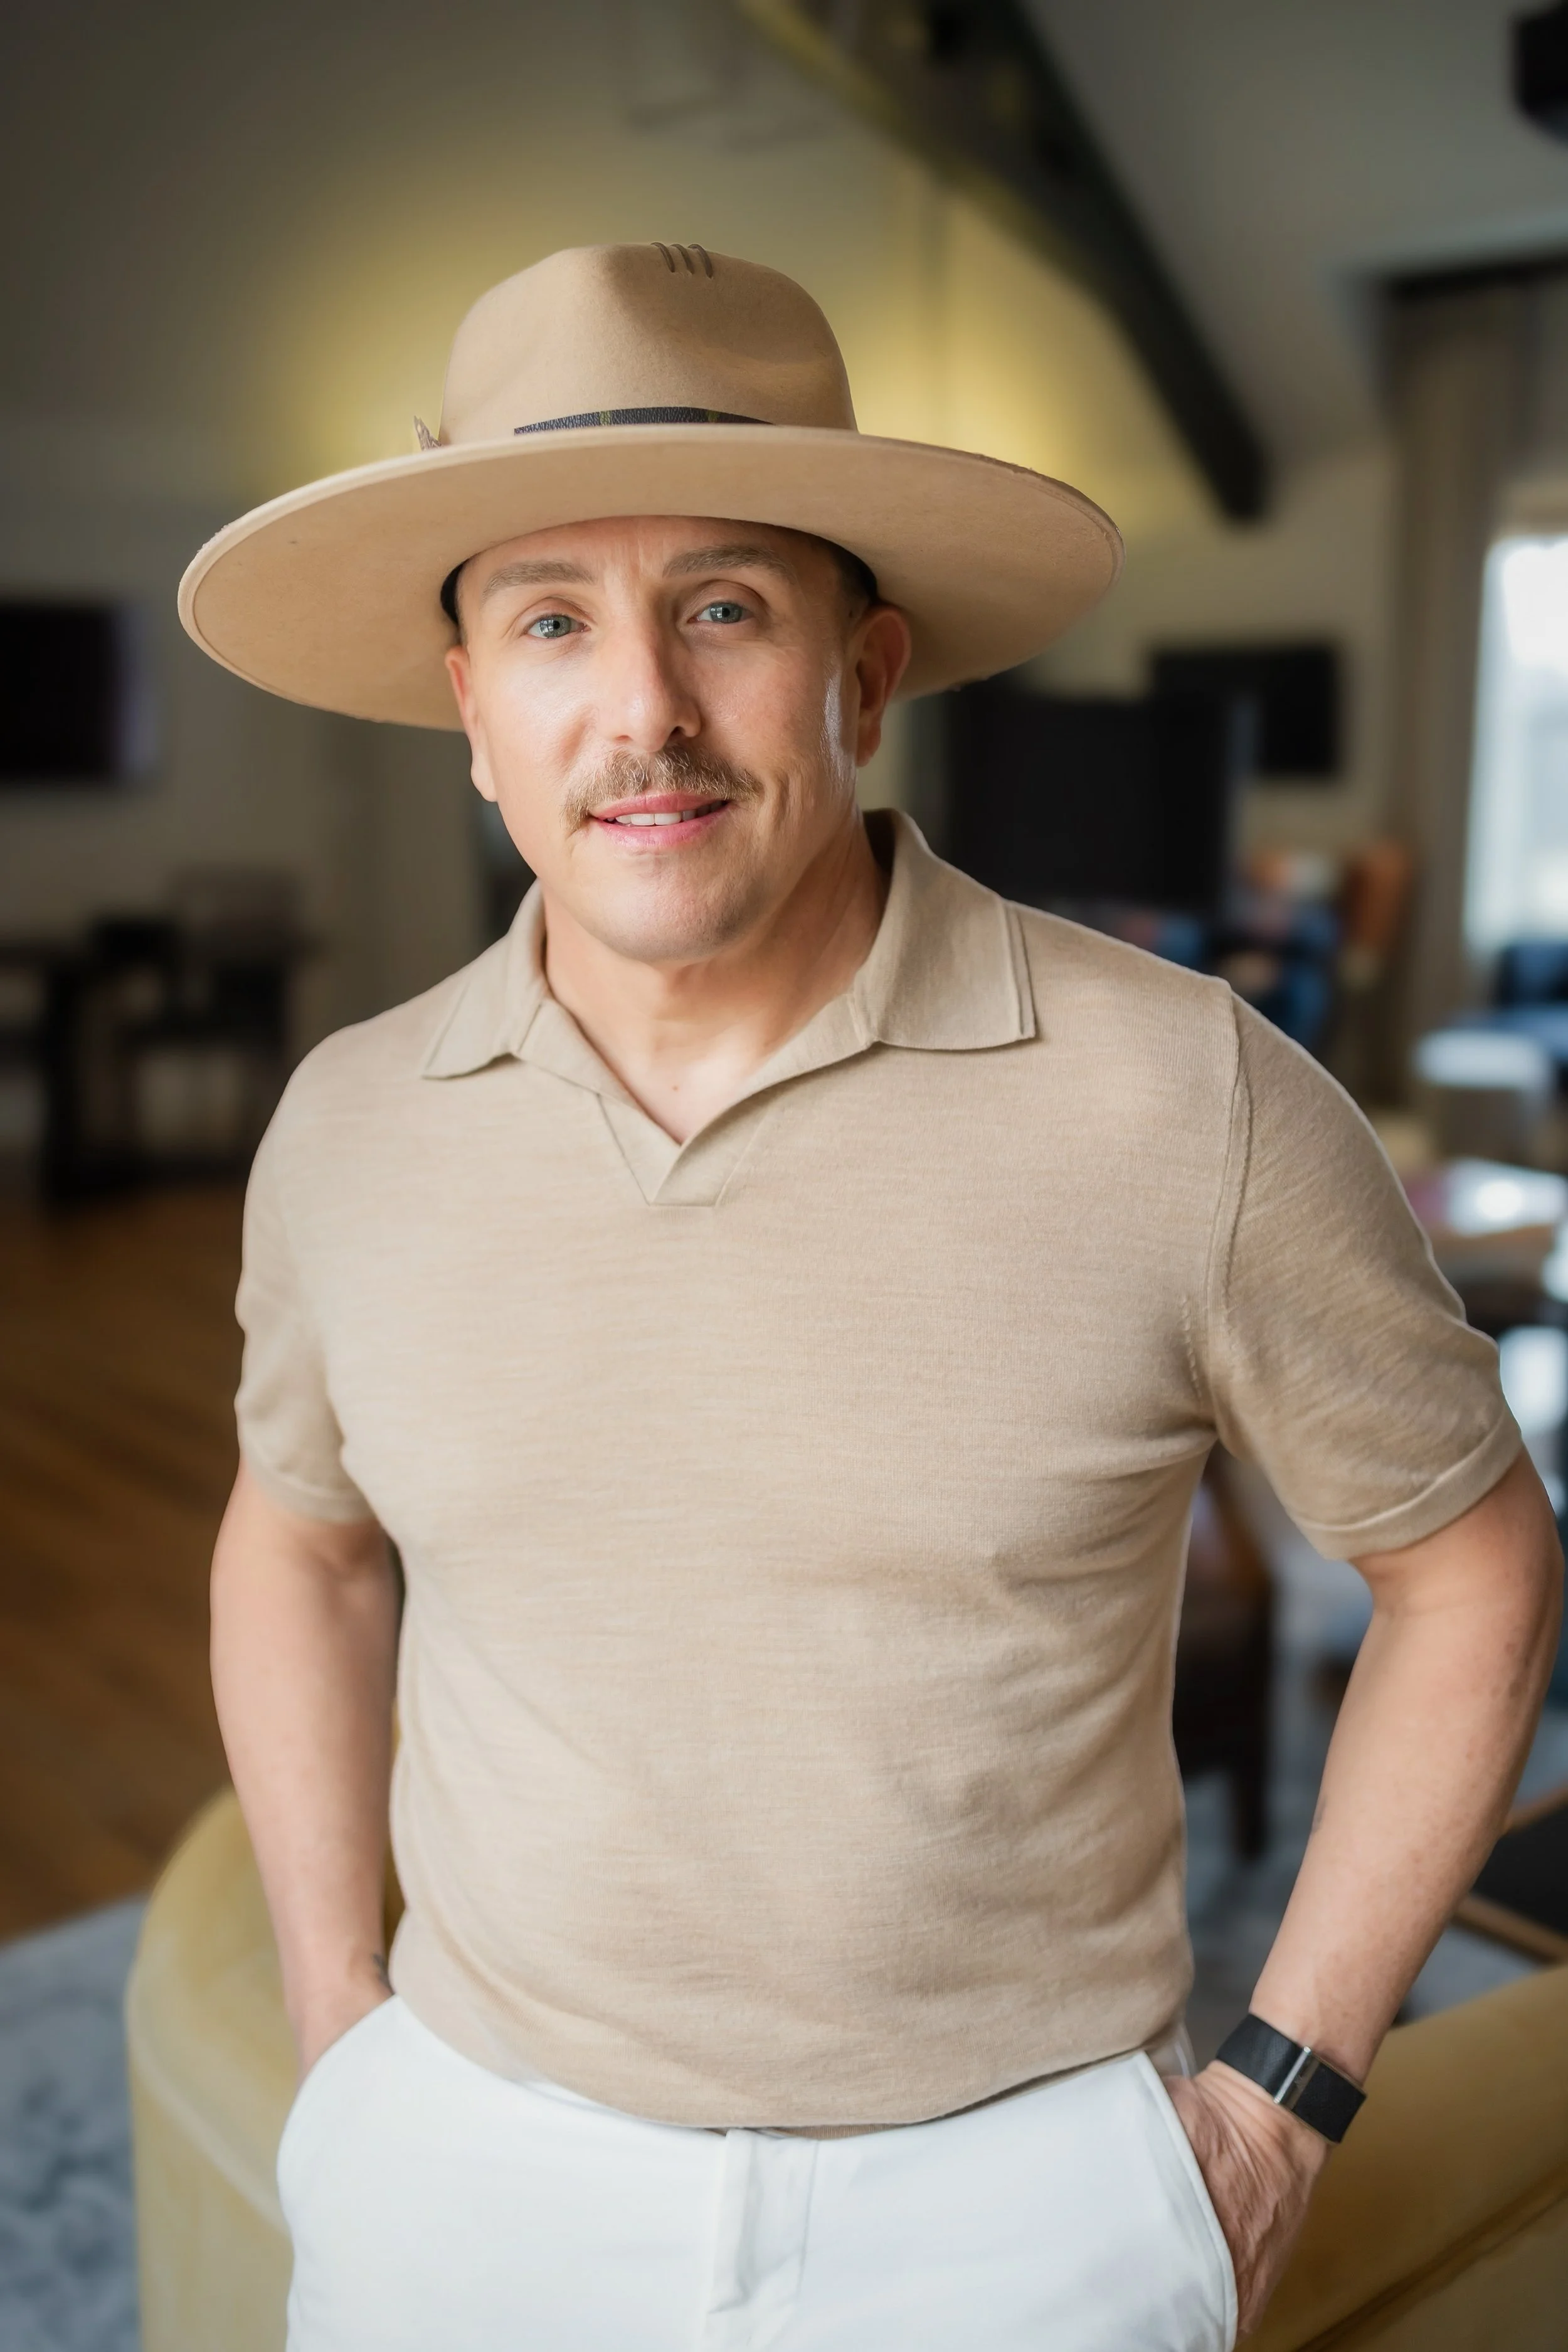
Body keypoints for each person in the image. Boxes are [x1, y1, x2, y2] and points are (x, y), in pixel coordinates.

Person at [186, 245, 1562, 2352]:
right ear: (472, 707)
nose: (639, 708)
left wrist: (1280, 2100)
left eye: (721, 607)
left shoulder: (1184, 1094)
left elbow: (1472, 1569)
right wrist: (332, 2016)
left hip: (1010, 2203)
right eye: (550, 618)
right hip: (465, 2155)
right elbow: (296, 1535)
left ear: (864, 669)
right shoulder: (348, 1126)